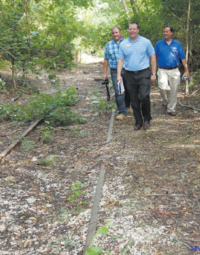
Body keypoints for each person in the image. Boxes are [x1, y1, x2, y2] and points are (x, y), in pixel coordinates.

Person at [117, 21, 156, 130]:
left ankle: (147, 118)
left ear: (138, 30)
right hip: (129, 75)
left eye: (134, 29)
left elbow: (152, 57)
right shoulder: (123, 44)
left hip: (143, 73)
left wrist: (153, 73)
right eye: (130, 29)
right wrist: (119, 75)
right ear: (128, 30)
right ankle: (138, 121)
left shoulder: (146, 42)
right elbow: (120, 60)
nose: (132, 31)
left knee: (143, 96)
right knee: (134, 100)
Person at [155, 25, 190, 116]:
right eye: (164, 32)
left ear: (171, 33)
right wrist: (153, 72)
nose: (165, 33)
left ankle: (171, 109)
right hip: (162, 70)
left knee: (174, 90)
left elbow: (182, 58)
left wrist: (186, 70)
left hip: (174, 70)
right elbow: (154, 58)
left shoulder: (177, 44)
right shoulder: (159, 43)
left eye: (167, 31)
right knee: (163, 87)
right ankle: (165, 102)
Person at [103, 26, 131, 121]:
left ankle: (127, 106)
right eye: (113, 33)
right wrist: (104, 73)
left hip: (128, 71)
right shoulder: (108, 45)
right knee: (119, 91)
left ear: (120, 32)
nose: (115, 34)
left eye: (116, 32)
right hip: (115, 71)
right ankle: (122, 112)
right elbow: (106, 60)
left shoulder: (128, 43)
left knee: (128, 90)